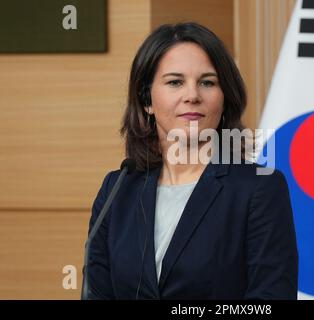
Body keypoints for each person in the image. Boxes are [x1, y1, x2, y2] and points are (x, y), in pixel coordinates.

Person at [84, 22, 298, 300]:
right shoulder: (117, 188)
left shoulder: (259, 188)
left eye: (207, 82)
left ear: (224, 99)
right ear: (146, 99)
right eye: (175, 82)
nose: (192, 96)